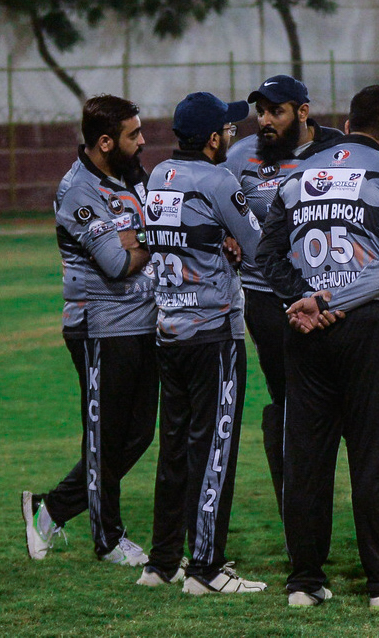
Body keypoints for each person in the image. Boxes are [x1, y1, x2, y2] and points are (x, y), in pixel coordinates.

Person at [224, 74, 379, 541]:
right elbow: (227, 220)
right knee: (296, 410)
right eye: (260, 112)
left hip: (339, 299)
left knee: (369, 418)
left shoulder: (333, 151)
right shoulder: (240, 157)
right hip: (276, 302)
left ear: (304, 113)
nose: (265, 121)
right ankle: (301, 525)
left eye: (275, 111)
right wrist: (302, 298)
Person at [136, 92, 266, 594]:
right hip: (213, 332)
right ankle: (207, 569)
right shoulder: (219, 179)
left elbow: (183, 237)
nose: (232, 135)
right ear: (213, 139)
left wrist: (217, 242)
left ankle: (162, 562)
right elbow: (256, 245)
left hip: (169, 330)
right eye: (228, 130)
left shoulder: (158, 176)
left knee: (173, 449)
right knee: (214, 448)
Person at [22, 95, 158, 566]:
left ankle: (51, 509)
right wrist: (152, 238)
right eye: (133, 134)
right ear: (105, 142)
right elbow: (117, 263)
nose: (143, 141)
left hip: (142, 322)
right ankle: (108, 540)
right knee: (104, 438)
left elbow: (139, 240)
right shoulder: (79, 191)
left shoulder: (132, 176)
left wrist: (139, 238)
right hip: (100, 329)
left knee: (138, 435)